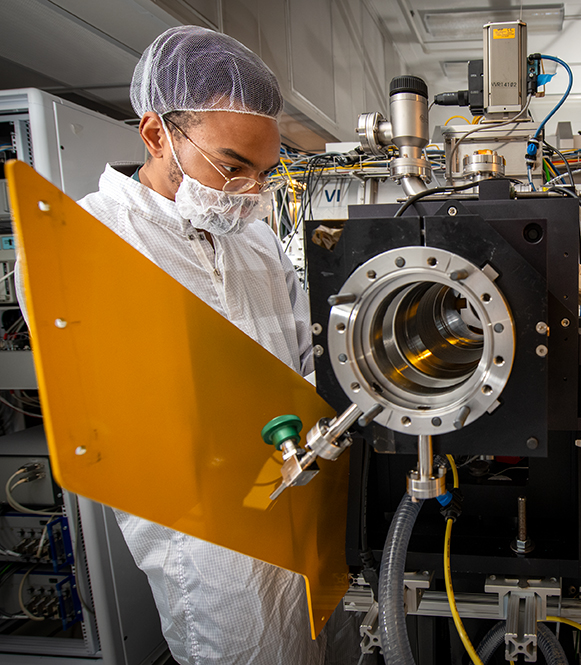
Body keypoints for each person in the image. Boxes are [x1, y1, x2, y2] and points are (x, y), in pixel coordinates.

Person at [16, 25, 357, 664]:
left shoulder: (252, 241)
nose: (251, 190)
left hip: (300, 496)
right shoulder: (86, 242)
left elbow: (301, 357)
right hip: (208, 533)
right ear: (155, 134)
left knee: (331, 645)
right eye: (233, 166)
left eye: (263, 172)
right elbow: (109, 408)